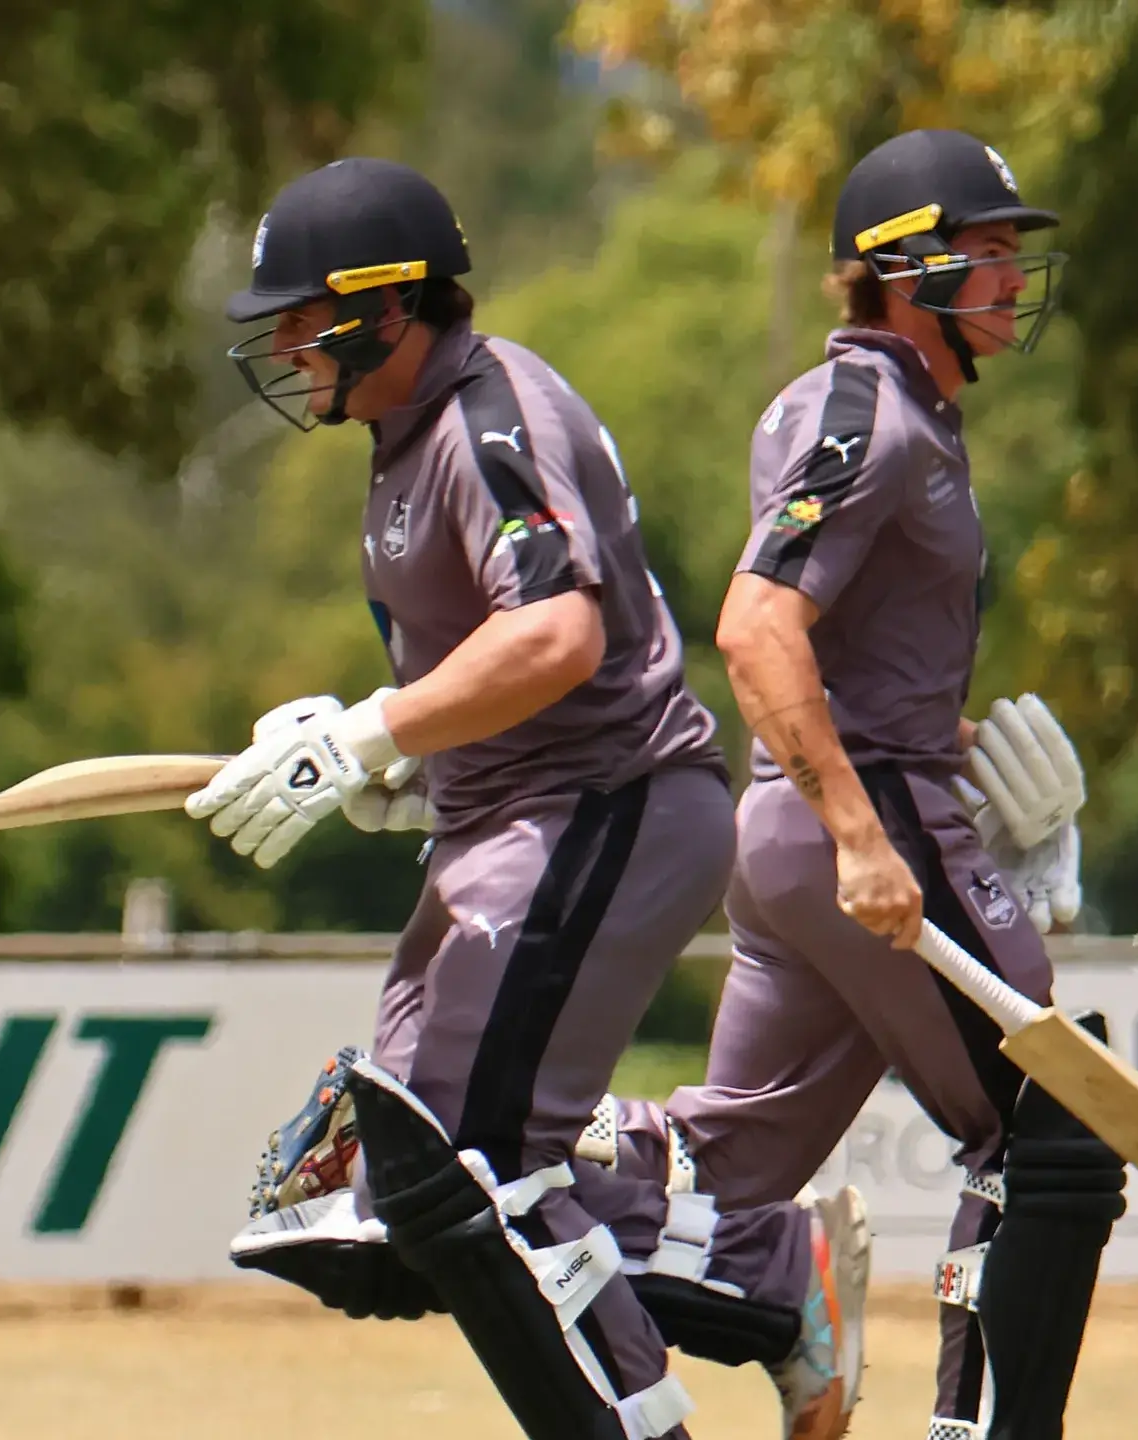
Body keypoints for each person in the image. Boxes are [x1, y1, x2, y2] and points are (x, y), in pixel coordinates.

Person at [187, 156, 866, 1440]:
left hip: (604, 807)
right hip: (511, 823)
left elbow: (556, 634)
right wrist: (413, 762)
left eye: (302, 314)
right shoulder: (402, 439)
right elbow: (490, 668)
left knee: (471, 1176)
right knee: (396, 1204)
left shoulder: (487, 415)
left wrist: (367, 735)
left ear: (387, 306)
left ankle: (692, 1370)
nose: (282, 344)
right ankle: (768, 1276)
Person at [588, 128, 1122, 1440]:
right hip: (859, 821)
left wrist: (967, 779)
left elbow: (852, 656)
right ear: (899, 269)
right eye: (981, 251)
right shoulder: (869, 413)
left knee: (727, 1164)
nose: (1010, 276)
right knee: (1049, 1125)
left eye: (1011, 251)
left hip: (824, 824)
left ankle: (526, 1163)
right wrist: (865, 834)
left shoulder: (903, 415)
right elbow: (757, 626)